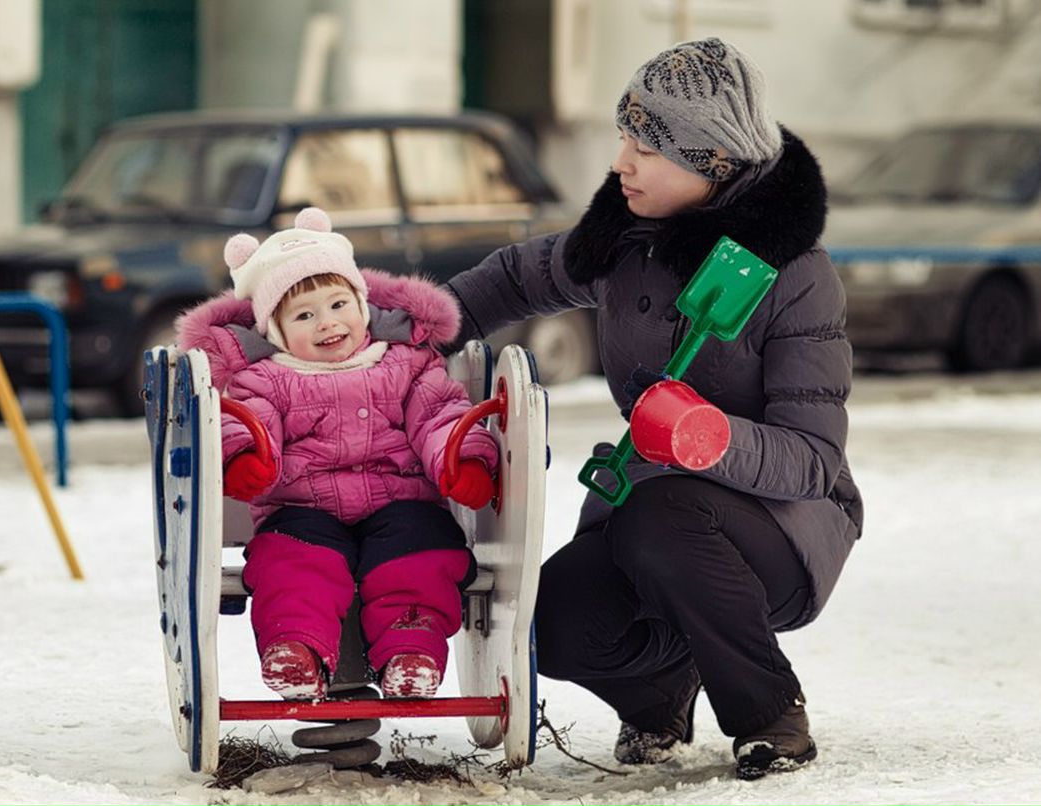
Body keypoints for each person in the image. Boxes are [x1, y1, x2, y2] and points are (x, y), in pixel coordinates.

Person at [442, 37, 863, 780]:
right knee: (558, 624)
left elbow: (813, 460)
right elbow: (511, 281)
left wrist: (708, 437)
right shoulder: (623, 244)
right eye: (624, 137)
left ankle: (770, 715)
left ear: (713, 163)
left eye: (647, 146)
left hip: (781, 533)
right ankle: (658, 694)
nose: (620, 162)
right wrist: (412, 326)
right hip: (651, 515)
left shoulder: (794, 277)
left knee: (661, 519)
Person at [174, 207, 500, 701]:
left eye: (338, 304)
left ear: (363, 304)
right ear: (275, 331)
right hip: (303, 511)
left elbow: (439, 416)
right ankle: (294, 648)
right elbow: (248, 421)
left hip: (402, 504)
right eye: (304, 315)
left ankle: (411, 651)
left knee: (422, 554)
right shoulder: (263, 378)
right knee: (289, 562)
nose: (328, 323)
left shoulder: (406, 362)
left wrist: (462, 459)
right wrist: (244, 457)